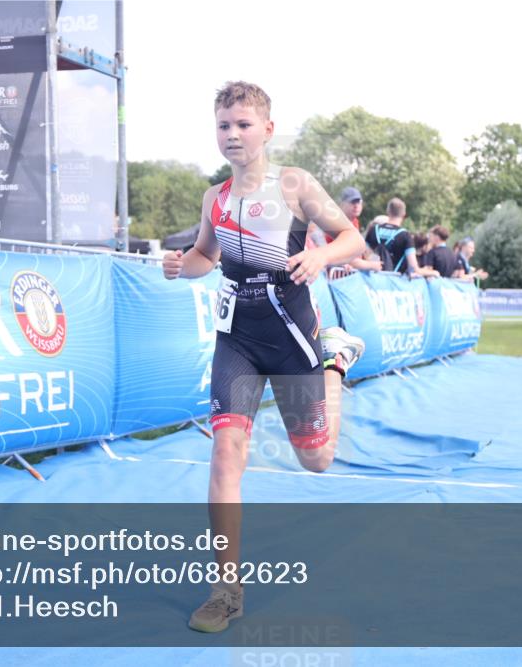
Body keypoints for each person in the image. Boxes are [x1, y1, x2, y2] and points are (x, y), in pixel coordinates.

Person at [162, 81, 367, 634]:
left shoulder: (295, 184)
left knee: (316, 459)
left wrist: (321, 254)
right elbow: (208, 255)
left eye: (244, 124)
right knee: (227, 453)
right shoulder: (214, 198)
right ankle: (227, 593)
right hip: (238, 338)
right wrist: (185, 265)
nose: (233, 134)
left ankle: (334, 362)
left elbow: (351, 238)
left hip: (291, 333)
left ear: (268, 130)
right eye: (224, 125)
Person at [364, 198, 431, 277]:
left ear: (388, 211)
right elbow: (413, 268)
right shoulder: (405, 235)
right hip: (393, 283)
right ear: (404, 214)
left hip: (371, 279)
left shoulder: (373, 230)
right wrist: (433, 273)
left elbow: (364, 254)